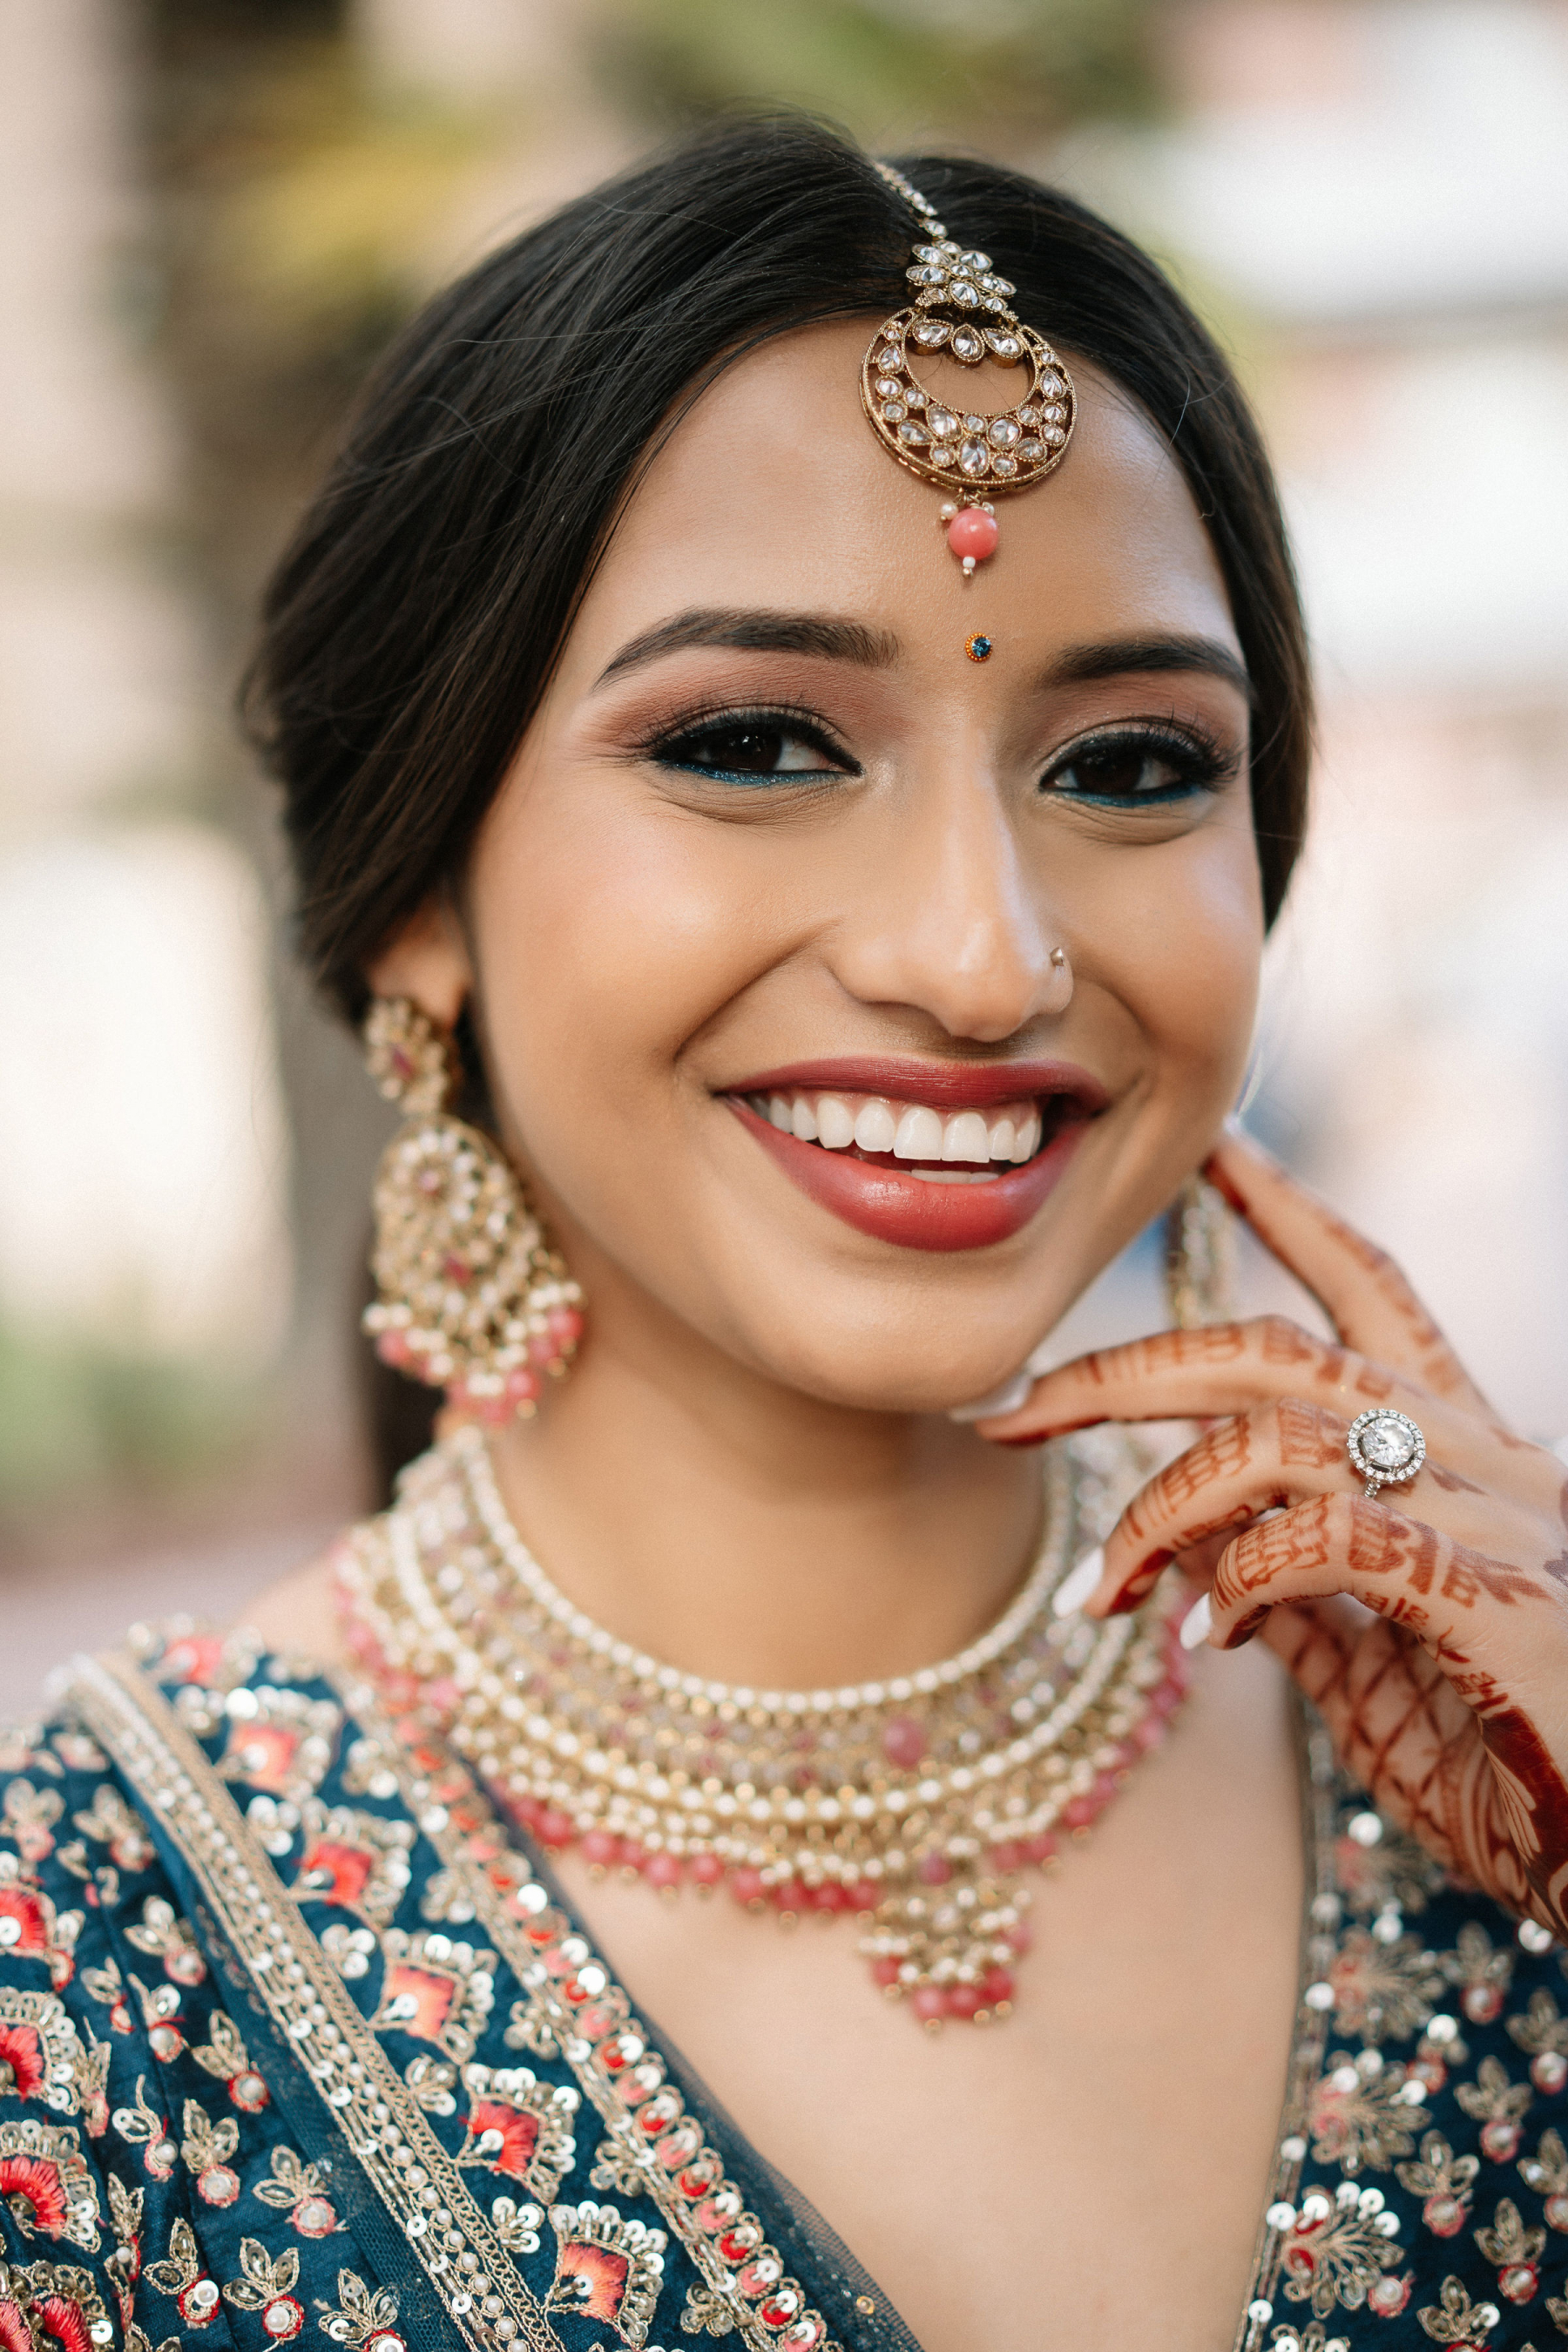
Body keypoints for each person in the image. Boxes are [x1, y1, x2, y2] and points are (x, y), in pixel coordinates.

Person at [3, 117, 1565, 2352]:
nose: (980, 956)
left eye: (1131, 764)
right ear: (419, 897)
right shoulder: (87, 1985)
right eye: (754, 740)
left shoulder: (1490, 1762)